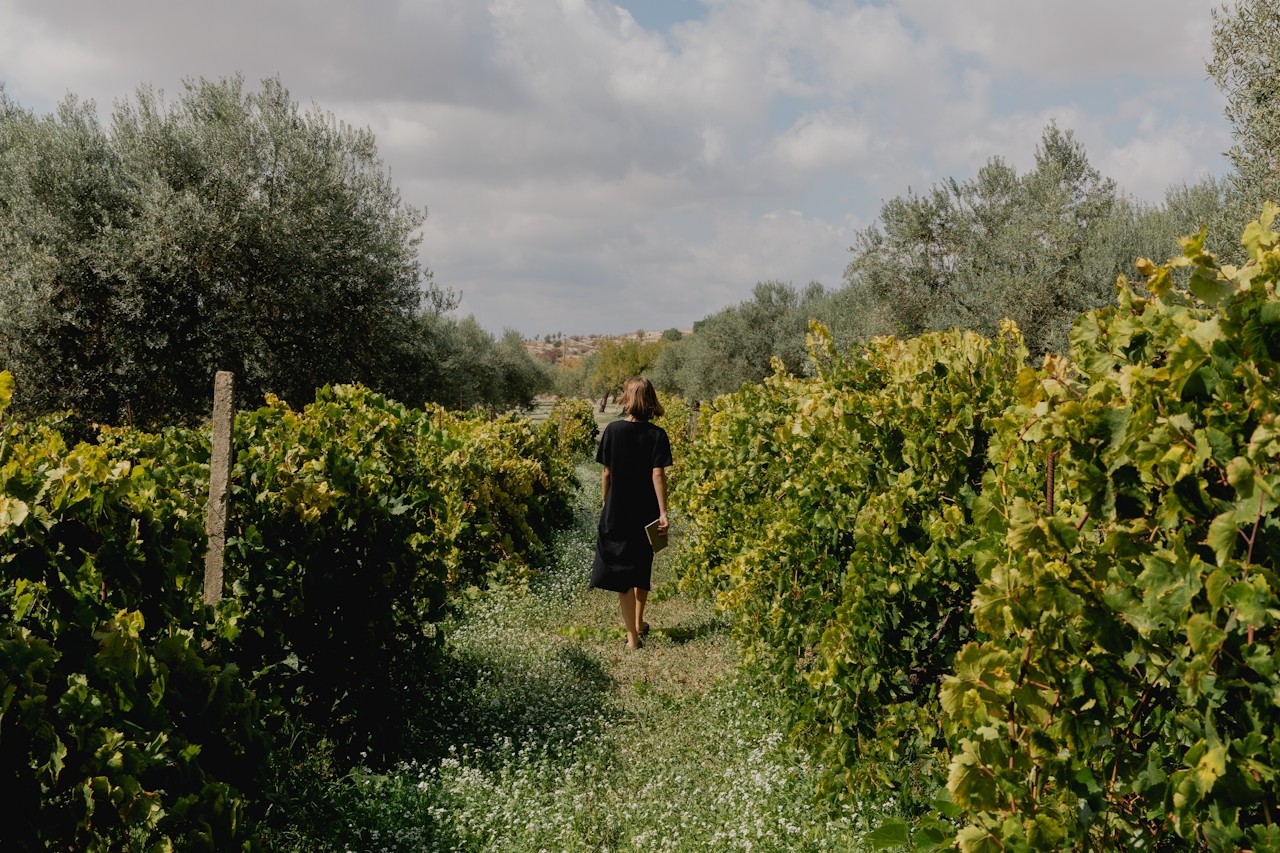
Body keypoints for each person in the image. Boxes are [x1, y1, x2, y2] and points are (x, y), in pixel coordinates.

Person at [591, 376, 672, 649]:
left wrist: (605, 503)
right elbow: (658, 475)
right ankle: (639, 621)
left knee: (621, 574)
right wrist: (663, 512)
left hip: (618, 510)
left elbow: (606, 473)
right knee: (640, 567)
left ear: (627, 398)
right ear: (651, 399)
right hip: (646, 511)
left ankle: (632, 637)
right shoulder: (658, 435)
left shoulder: (612, 431)